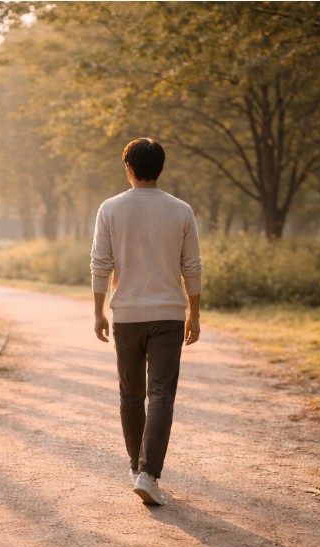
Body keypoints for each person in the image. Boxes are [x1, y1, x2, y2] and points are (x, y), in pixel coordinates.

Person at [90, 137, 203, 506]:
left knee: (131, 394)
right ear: (161, 168)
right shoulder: (181, 210)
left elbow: (100, 265)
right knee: (161, 396)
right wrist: (195, 315)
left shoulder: (110, 209)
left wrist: (99, 311)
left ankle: (136, 467)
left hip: (127, 317)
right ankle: (148, 472)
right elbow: (192, 268)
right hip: (169, 316)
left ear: (129, 168)